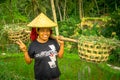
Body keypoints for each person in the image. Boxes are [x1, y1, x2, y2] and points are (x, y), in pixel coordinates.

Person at [16, 12, 64, 80]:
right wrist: (25, 51)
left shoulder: (53, 42)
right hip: (41, 77)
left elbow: (60, 56)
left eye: (47, 31)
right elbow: (28, 62)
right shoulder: (33, 45)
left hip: (55, 77)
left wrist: (62, 45)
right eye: (42, 31)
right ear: (37, 32)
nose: (45, 33)